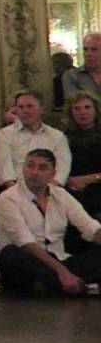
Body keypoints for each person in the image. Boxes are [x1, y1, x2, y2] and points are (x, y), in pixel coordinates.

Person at [0, 149, 101, 296]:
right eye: (30, 166)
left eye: (43, 168)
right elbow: (27, 244)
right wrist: (63, 273)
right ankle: (83, 287)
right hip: (29, 262)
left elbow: (90, 227)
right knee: (10, 254)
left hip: (59, 259)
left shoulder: (61, 195)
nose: (35, 172)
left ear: (53, 173)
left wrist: (63, 270)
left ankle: (53, 286)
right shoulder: (8, 198)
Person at [0, 89, 71, 189]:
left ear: (41, 109)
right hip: (15, 192)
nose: (25, 111)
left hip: (51, 192)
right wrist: (20, 195)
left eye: (30, 106)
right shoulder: (4, 134)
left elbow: (62, 170)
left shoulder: (57, 136)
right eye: (21, 107)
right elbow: (5, 173)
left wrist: (45, 193)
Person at [63, 91, 101, 252]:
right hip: (71, 189)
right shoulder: (63, 137)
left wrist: (90, 179)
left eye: (87, 107)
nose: (82, 112)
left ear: (96, 110)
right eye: (77, 108)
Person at [61, 32, 101, 100]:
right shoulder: (72, 76)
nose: (88, 54)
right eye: (85, 49)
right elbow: (75, 104)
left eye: (94, 49)